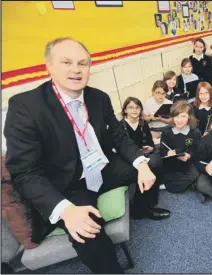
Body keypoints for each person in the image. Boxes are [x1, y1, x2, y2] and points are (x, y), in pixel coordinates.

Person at [4, 37, 169, 274]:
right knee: (88, 231)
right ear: (48, 65)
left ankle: (142, 208)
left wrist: (140, 164)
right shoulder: (26, 106)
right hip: (68, 184)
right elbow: (24, 172)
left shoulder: (99, 97)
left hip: (102, 167)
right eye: (67, 62)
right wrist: (66, 210)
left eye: (83, 63)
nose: (76, 69)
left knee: (153, 162)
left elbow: (119, 138)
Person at [160, 101, 202, 193]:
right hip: (171, 161)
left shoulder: (195, 132)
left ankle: (168, 185)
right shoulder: (166, 131)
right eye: (176, 116)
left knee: (194, 174)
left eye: (183, 116)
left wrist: (189, 155)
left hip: (187, 161)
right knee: (159, 169)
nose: (179, 120)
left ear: (189, 117)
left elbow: (198, 150)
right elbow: (162, 149)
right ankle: (183, 183)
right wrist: (168, 153)